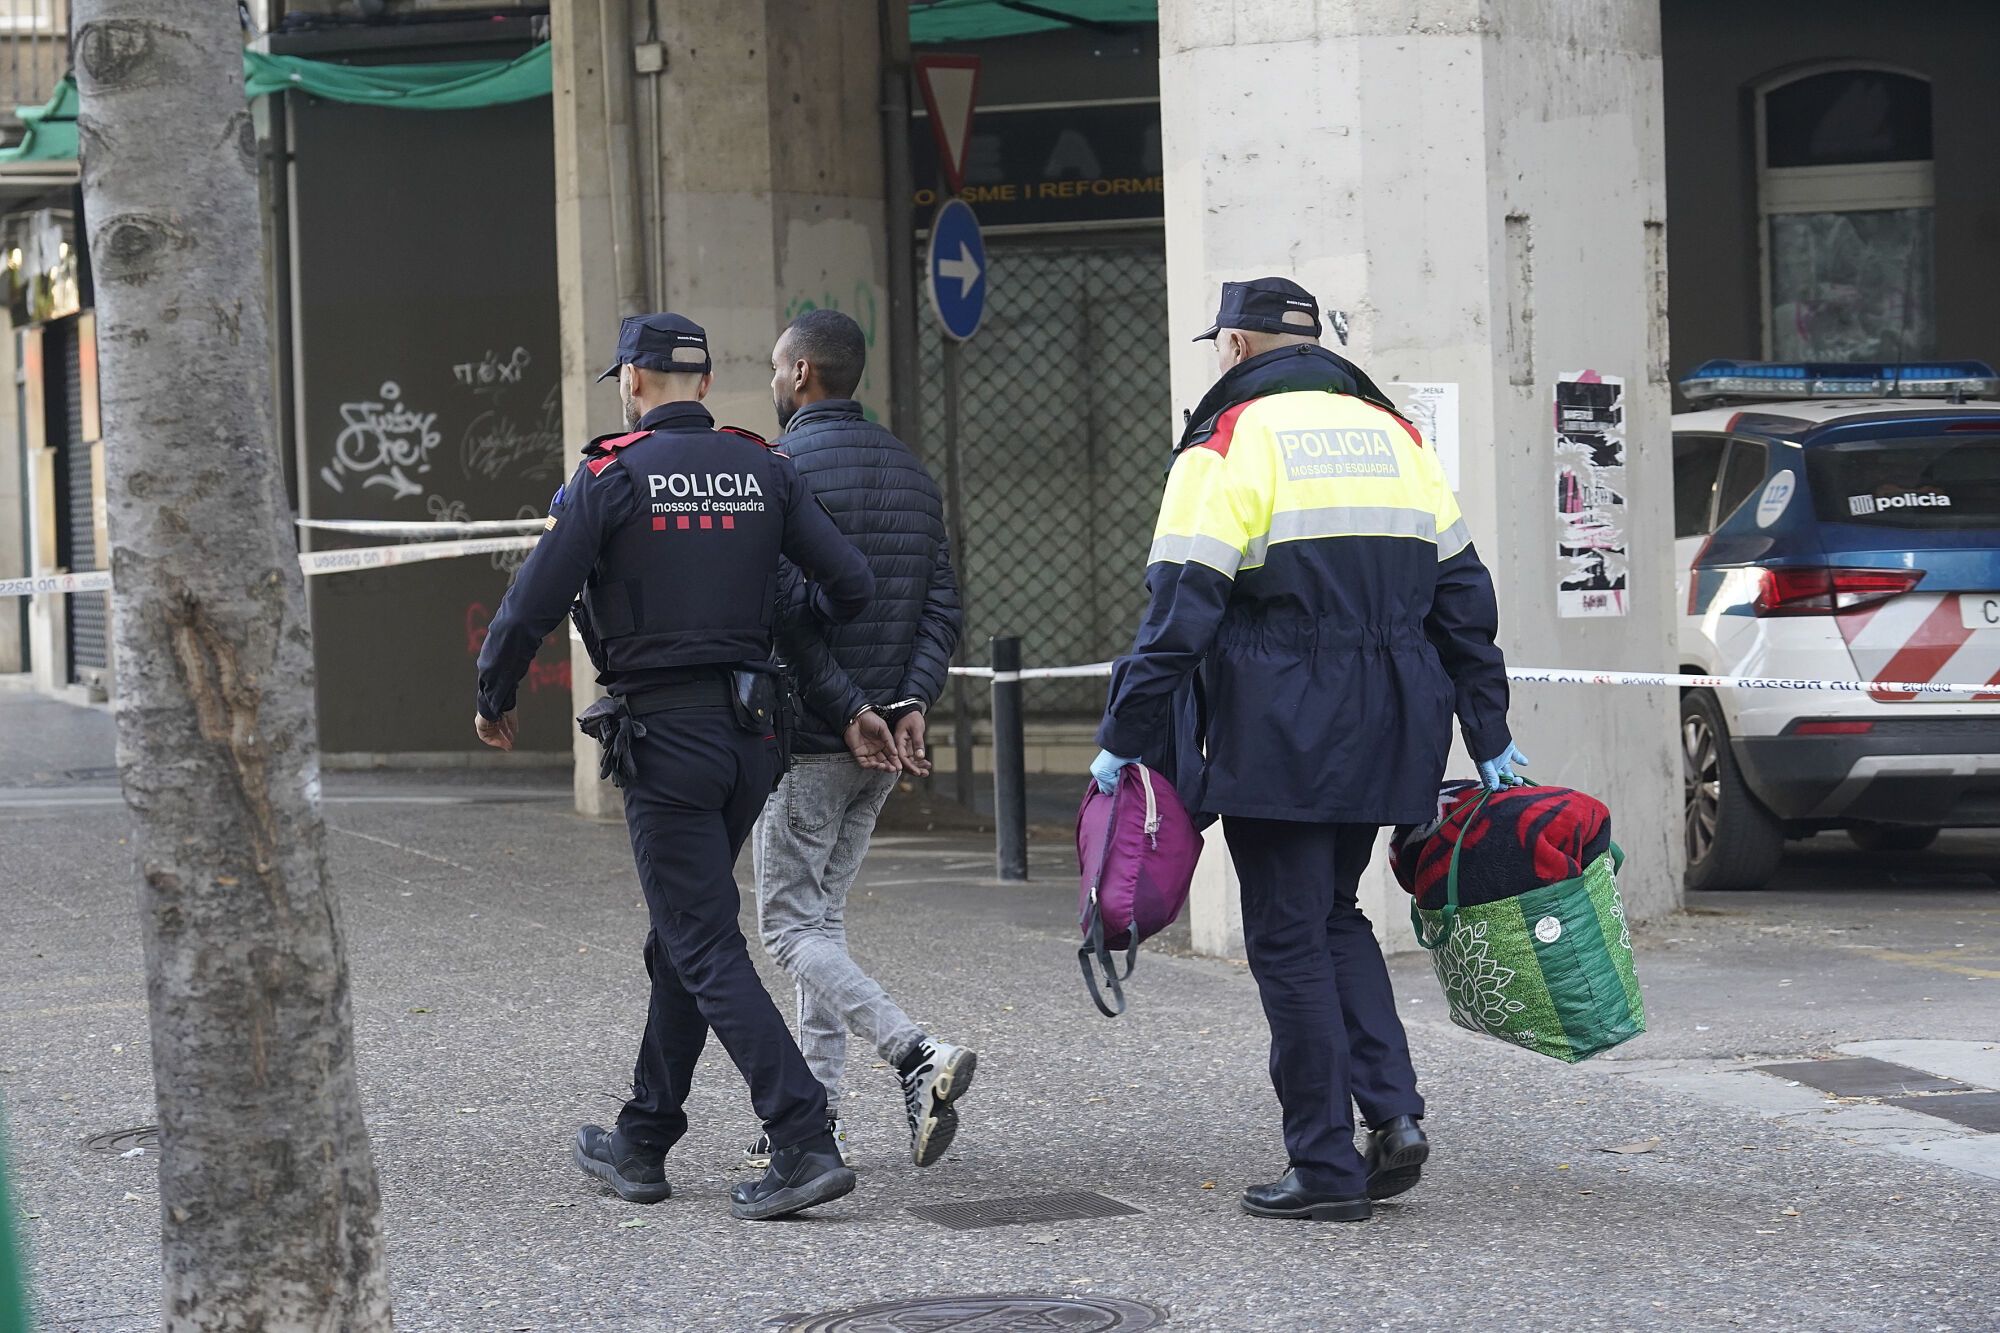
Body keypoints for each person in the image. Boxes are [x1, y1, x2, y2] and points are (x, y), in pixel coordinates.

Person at [1091, 278, 1525, 1223]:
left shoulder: (1228, 443)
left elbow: (1178, 612)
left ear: (1238, 350)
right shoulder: (1398, 437)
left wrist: (1125, 737)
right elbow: (1464, 600)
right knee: (1334, 915)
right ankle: (1394, 1115)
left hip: (1282, 729)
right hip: (1394, 725)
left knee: (1285, 936)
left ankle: (1325, 1164)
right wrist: (1489, 732)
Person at [473, 312, 876, 1222]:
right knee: (682, 937)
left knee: (699, 939)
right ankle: (643, 1138)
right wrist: (772, 618)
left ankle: (803, 1135)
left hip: (668, 739)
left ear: (632, 381)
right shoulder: (763, 466)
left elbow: (533, 595)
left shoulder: (611, 476)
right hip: (754, 737)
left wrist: (493, 691)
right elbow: (850, 584)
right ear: (701, 383)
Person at [746, 308, 976, 1171]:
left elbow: (785, 618)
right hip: (882, 742)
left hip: (812, 736)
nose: (773, 383)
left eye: (775, 369)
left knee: (784, 929)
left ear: (803, 373)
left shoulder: (782, 470)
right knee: (821, 923)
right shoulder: (913, 475)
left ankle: (915, 1049)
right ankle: (814, 1118)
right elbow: (940, 608)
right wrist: (909, 699)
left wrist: (847, 707)